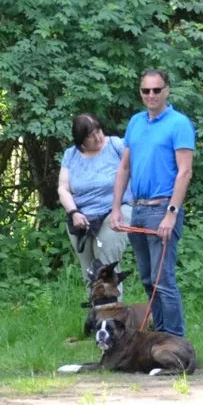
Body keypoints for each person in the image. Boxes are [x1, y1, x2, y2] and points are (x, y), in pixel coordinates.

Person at [110, 69, 194, 337]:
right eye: (146, 90)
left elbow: (185, 171)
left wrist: (171, 214)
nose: (151, 95)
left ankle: (175, 342)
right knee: (148, 279)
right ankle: (159, 337)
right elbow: (124, 168)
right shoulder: (135, 122)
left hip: (162, 208)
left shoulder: (179, 124)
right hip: (138, 209)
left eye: (156, 90)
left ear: (167, 90)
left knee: (163, 280)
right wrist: (116, 209)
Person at [59, 113, 131, 283]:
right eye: (90, 136)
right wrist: (74, 212)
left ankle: (113, 309)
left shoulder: (116, 145)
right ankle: (95, 310)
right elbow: (63, 188)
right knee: (91, 274)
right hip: (81, 219)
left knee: (106, 271)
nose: (97, 138)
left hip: (116, 211)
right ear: (80, 140)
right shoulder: (70, 155)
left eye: (98, 131)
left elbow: (138, 169)